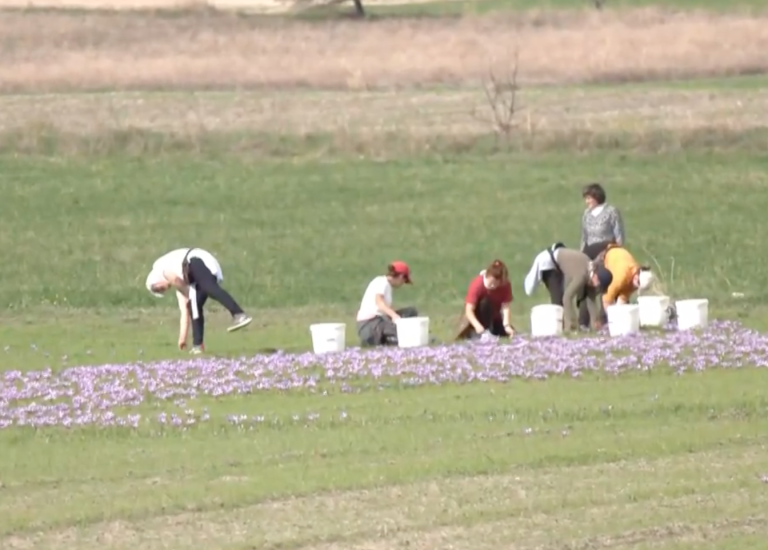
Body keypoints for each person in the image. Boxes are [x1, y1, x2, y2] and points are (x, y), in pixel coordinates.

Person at [145, 247, 253, 354]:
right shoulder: (180, 286)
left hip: (195, 260)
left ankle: (239, 314)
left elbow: (174, 279)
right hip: (193, 276)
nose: (162, 290)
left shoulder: (161, 269)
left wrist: (187, 293)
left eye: (158, 288)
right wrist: (182, 338)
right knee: (193, 306)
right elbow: (184, 312)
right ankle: (198, 345)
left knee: (209, 288)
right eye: (160, 291)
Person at [525, 244, 610, 332]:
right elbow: (567, 297)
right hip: (548, 262)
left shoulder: (591, 272)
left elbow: (591, 300)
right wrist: (572, 325)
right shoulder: (581, 276)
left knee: (570, 296)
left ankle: (568, 326)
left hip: (559, 261)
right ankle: (568, 327)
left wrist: (596, 323)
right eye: (598, 284)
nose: (597, 287)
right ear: (595, 276)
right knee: (558, 299)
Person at [579, 182, 626, 328]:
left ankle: (611, 318)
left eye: (589, 198)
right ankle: (584, 322)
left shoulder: (611, 212)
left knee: (606, 283)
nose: (586, 202)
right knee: (585, 285)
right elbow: (584, 237)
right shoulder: (586, 215)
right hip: (590, 252)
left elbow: (619, 234)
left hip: (607, 251)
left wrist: (617, 251)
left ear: (596, 197)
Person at [356, 261, 419, 347]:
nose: (402, 284)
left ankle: (388, 339)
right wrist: (395, 316)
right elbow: (380, 303)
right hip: (370, 324)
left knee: (410, 312)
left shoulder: (386, 285)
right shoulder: (381, 282)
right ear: (400, 277)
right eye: (404, 280)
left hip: (378, 321)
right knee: (405, 333)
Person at [456, 259, 515, 341]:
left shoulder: (505, 285)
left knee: (507, 334)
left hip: (494, 316)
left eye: (498, 283)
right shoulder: (477, 285)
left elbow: (506, 307)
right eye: (492, 283)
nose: (494, 286)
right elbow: (468, 310)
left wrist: (507, 325)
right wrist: (477, 326)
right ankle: (476, 334)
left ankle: (493, 330)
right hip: (477, 318)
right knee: (485, 303)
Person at [591, 243, 654, 309]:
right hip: (603, 254)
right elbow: (607, 300)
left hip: (618, 258)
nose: (636, 287)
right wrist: (611, 316)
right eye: (638, 284)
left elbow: (623, 298)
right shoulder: (620, 277)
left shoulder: (635, 278)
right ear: (636, 277)